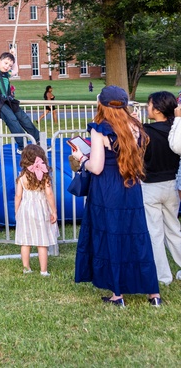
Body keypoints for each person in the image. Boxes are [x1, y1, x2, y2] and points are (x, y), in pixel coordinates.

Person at [71, 85, 160, 307]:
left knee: (111, 236)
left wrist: (82, 158)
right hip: (131, 187)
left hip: (107, 189)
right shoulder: (136, 126)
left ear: (103, 105)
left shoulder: (100, 129)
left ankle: (117, 295)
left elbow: (97, 167)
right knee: (136, 236)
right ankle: (153, 294)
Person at [141, 91, 181, 285]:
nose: (147, 108)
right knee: (174, 228)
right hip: (173, 184)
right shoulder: (176, 128)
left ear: (156, 109)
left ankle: (163, 276)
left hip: (151, 186)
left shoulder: (146, 132)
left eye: (149, 105)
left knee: (155, 232)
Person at [14, 144, 58, 276]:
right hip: (41, 210)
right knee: (42, 242)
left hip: (26, 209)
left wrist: (17, 211)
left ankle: (26, 268)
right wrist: (53, 211)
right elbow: (49, 194)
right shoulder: (44, 176)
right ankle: (43, 271)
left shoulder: (22, 177)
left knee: (25, 241)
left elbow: (18, 196)